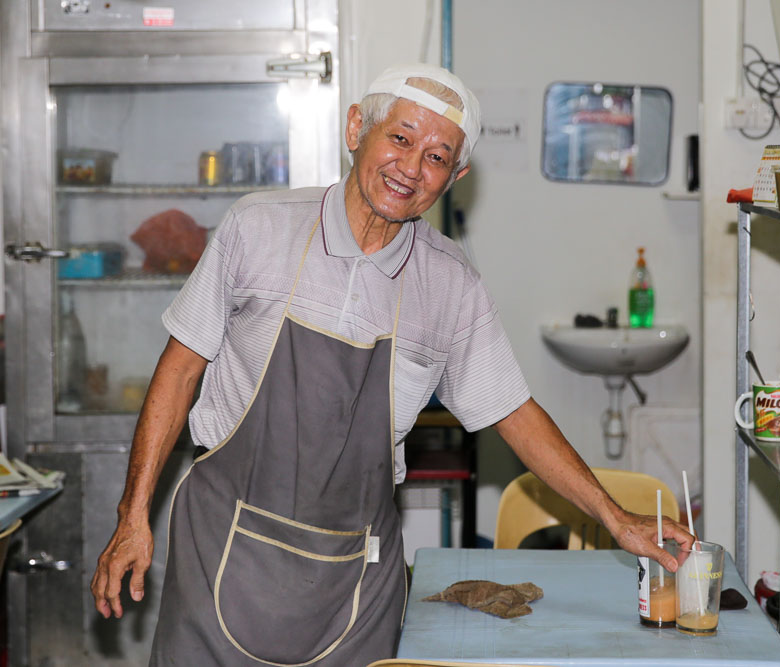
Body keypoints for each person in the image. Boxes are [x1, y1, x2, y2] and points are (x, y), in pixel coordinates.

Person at [90, 63, 693, 666]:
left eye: (436, 157)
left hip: (354, 581)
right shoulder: (258, 228)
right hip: (221, 552)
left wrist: (616, 519)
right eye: (400, 139)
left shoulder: (451, 284)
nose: (410, 168)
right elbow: (179, 368)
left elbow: (512, 411)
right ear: (356, 129)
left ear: (455, 176)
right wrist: (133, 513)